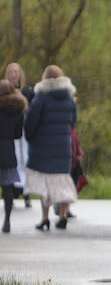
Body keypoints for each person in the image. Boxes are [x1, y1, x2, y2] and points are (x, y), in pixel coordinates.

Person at [23, 65, 78, 231]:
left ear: (44, 79)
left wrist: (30, 137)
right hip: (63, 147)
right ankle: (62, 215)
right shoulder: (69, 98)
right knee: (62, 181)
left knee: (45, 184)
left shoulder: (41, 98)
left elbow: (31, 122)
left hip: (42, 147)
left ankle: (45, 218)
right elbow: (73, 122)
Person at [0, 80, 29, 233]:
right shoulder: (18, 111)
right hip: (8, 151)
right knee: (7, 188)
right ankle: (7, 221)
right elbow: (18, 134)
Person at [4, 62, 33, 208]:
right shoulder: (4, 92)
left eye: (16, 72)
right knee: (13, 160)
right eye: (11, 72)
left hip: (24, 132)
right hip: (11, 133)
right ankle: (13, 192)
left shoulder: (27, 92)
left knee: (25, 159)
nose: (14, 75)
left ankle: (26, 192)